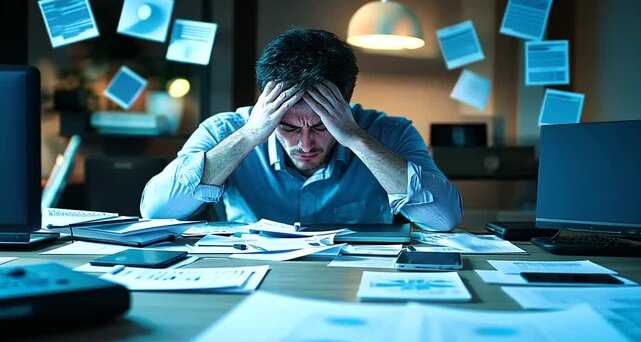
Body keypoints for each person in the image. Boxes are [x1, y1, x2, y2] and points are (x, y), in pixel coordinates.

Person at [140, 27, 463, 231]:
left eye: (323, 126)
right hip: (252, 272)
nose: (305, 144)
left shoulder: (390, 132)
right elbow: (156, 211)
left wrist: (354, 138)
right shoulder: (225, 130)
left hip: (353, 277)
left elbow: (443, 219)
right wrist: (250, 135)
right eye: (288, 126)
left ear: (346, 105)